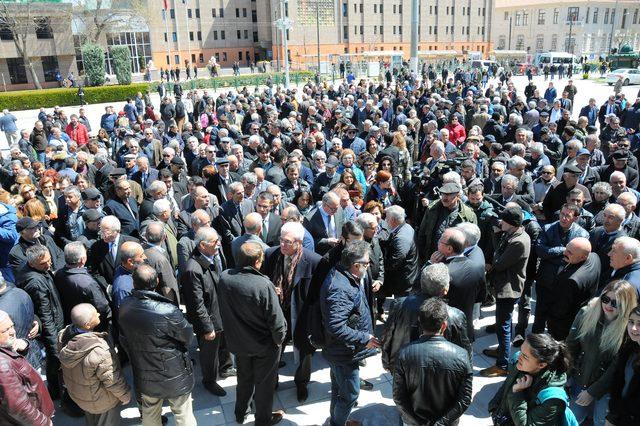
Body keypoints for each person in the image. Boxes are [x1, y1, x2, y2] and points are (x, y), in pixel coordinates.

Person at [218, 241, 287, 425]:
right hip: (264, 347)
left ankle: (240, 413)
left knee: (244, 378)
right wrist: (279, 341)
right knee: (264, 386)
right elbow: (277, 323)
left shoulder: (225, 277)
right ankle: (263, 420)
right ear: (258, 261)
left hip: (238, 342)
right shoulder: (264, 284)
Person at [118, 265, 197, 426]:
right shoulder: (168, 310)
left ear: (134, 283)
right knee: (183, 413)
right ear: (157, 281)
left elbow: (124, 338)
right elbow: (188, 336)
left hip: (145, 372)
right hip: (174, 371)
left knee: (150, 414)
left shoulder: (124, 306)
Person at [262, 221, 324, 402]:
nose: (282, 245)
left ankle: (302, 383)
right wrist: (271, 288)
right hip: (277, 315)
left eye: (287, 242)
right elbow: (263, 279)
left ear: (299, 242)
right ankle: (272, 382)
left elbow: (317, 294)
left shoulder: (313, 261)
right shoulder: (271, 254)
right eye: (281, 240)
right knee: (274, 351)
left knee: (304, 355)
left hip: (302, 317)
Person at [320, 240, 379, 426]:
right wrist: (365, 338)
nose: (369, 266)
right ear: (355, 265)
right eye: (367, 263)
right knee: (350, 394)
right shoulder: (340, 289)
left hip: (342, 350)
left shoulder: (346, 276)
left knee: (339, 389)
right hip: (343, 353)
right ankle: (338, 423)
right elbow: (336, 326)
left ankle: (338, 420)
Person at [565, 280, 638, 426]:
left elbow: (616, 366)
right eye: (605, 299)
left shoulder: (630, 328)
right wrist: (565, 375)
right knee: (571, 420)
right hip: (581, 379)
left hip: (607, 390)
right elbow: (571, 347)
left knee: (600, 422)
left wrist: (592, 392)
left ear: (626, 305)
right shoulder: (586, 313)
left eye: (615, 303)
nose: (608, 305)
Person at [392, 298, 473, 426]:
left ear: (419, 321)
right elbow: (465, 399)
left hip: (415, 421)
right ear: (444, 326)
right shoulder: (462, 355)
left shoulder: (404, 354)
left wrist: (417, 422)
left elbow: (399, 397)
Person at [382, 263, 471, 372]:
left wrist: (386, 361)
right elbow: (464, 351)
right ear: (445, 290)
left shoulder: (399, 304)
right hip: (438, 372)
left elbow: (388, 335)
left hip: (403, 366)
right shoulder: (456, 316)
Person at [58, 303, 131, 426]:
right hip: (103, 402)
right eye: (94, 314)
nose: (98, 314)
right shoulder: (98, 351)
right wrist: (125, 396)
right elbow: (112, 380)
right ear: (87, 325)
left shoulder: (63, 336)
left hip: (82, 397)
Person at [481, 205, 531, 378]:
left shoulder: (518, 241)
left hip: (508, 290)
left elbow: (499, 262)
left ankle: (502, 364)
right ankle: (503, 350)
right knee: (504, 323)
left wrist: (495, 235)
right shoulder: (513, 234)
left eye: (503, 220)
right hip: (504, 286)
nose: (500, 221)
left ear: (512, 223)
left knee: (503, 326)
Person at [180, 227, 229, 396]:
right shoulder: (193, 269)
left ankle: (225, 368)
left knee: (221, 348)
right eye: (215, 242)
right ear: (202, 245)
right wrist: (208, 328)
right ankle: (209, 381)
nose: (219, 244)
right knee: (209, 355)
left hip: (218, 314)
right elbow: (196, 304)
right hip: (208, 321)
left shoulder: (208, 257)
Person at [488, 333, 572, 425]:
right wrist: (493, 408)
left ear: (541, 365)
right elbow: (506, 386)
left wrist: (517, 392)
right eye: (520, 351)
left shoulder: (553, 401)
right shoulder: (519, 363)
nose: (518, 356)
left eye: (525, 356)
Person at [16, 245, 65, 399]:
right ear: (32, 264)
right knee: (54, 361)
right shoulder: (35, 283)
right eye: (44, 263)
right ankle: (57, 393)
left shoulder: (38, 271)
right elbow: (45, 314)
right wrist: (54, 344)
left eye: (49, 260)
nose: (48, 265)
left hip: (53, 323)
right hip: (52, 329)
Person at [0, 309, 55, 425]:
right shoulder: (2, 367)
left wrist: (23, 346)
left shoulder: (4, 347)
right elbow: (18, 405)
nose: (12, 332)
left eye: (12, 326)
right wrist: (43, 422)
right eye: (5, 330)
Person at [428, 227, 484, 340]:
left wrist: (430, 264)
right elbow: (481, 297)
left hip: (444, 332)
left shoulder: (441, 271)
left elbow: (424, 295)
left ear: (449, 248)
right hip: (466, 330)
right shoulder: (478, 267)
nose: (438, 242)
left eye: (441, 240)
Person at [545, 238, 601, 340]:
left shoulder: (572, 281)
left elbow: (560, 310)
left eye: (569, 253)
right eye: (566, 249)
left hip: (563, 325)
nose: (564, 253)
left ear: (583, 257)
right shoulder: (594, 257)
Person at [53, 241, 111, 332]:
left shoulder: (58, 274)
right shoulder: (87, 283)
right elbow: (103, 307)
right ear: (82, 259)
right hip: (90, 326)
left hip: (71, 321)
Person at [607, 305, 640, 425]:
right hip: (619, 415)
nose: (634, 328)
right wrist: (612, 414)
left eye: (639, 324)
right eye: (631, 322)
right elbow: (617, 381)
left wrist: (616, 408)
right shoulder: (628, 349)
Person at [381, 205, 419, 302]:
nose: (385, 220)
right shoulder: (406, 227)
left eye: (387, 218)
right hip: (406, 276)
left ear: (393, 220)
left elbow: (396, 259)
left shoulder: (401, 237)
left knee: (400, 305)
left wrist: (382, 269)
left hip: (403, 281)